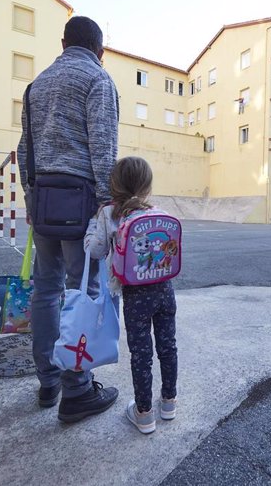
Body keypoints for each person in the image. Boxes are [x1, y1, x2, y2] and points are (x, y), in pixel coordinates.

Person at [16, 16, 119, 423]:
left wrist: (29, 197)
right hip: (81, 203)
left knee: (46, 289)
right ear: (100, 51)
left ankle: (48, 379)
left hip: (43, 199)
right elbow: (103, 147)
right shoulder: (98, 79)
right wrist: (108, 204)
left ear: (62, 43)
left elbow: (25, 148)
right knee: (85, 289)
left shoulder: (36, 85)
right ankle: (78, 390)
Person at [84, 156, 178, 434]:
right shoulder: (156, 211)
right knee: (168, 347)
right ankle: (169, 403)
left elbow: (95, 251)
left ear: (114, 183)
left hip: (136, 296)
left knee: (141, 354)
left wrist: (91, 226)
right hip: (164, 289)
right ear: (147, 186)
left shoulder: (110, 213)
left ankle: (144, 413)